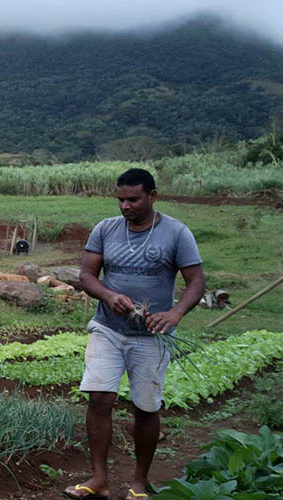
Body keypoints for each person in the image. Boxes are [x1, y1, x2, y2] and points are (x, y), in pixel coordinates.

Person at [64, 168, 205, 500]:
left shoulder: (176, 233)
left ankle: (139, 483)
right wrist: (108, 295)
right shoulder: (106, 229)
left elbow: (196, 282)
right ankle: (99, 479)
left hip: (152, 336)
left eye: (133, 199)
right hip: (108, 329)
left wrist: (175, 313)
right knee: (99, 398)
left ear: (152, 197)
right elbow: (86, 275)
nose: (125, 206)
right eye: (120, 199)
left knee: (145, 407)